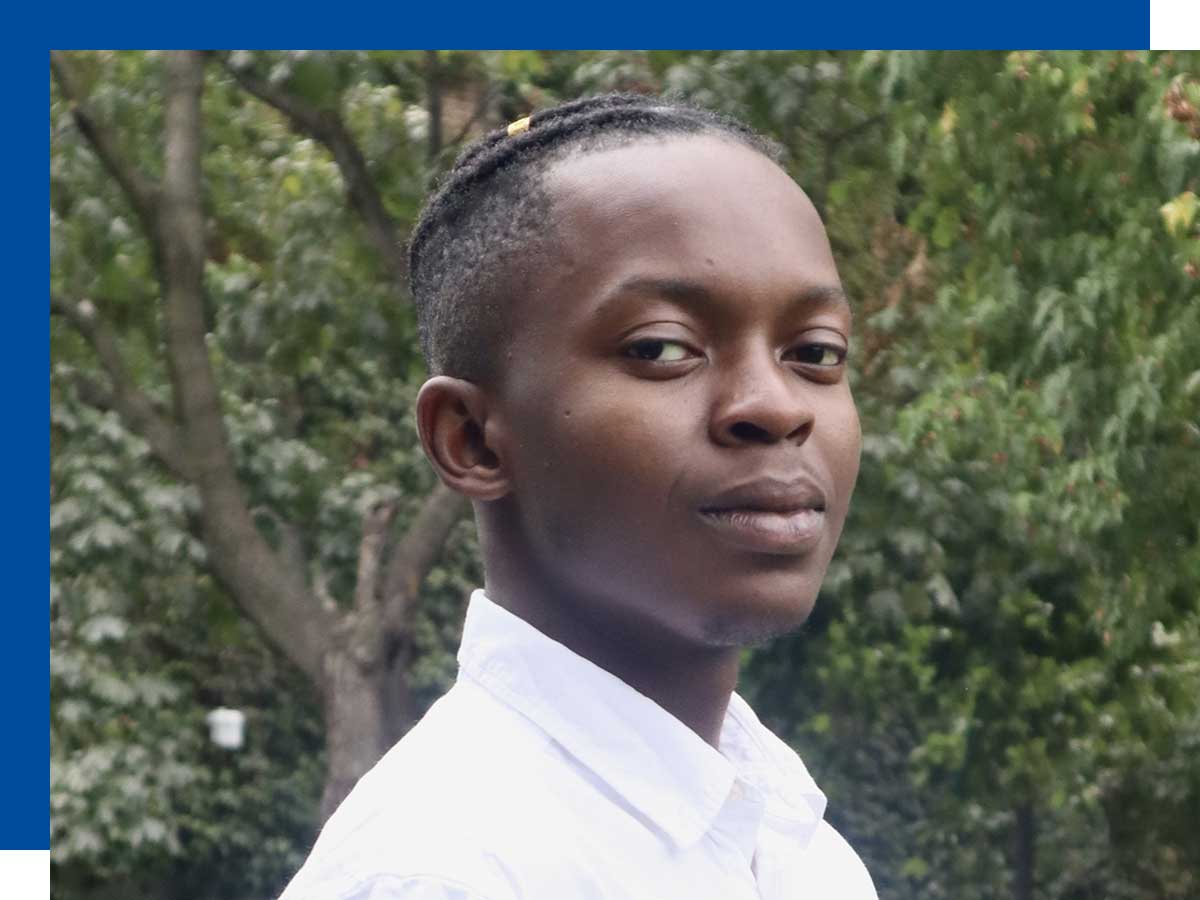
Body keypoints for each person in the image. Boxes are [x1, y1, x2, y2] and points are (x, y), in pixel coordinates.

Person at [280, 92, 875, 900]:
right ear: (473, 439)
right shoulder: (439, 875)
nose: (776, 406)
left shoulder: (801, 851)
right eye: (662, 348)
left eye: (815, 351)